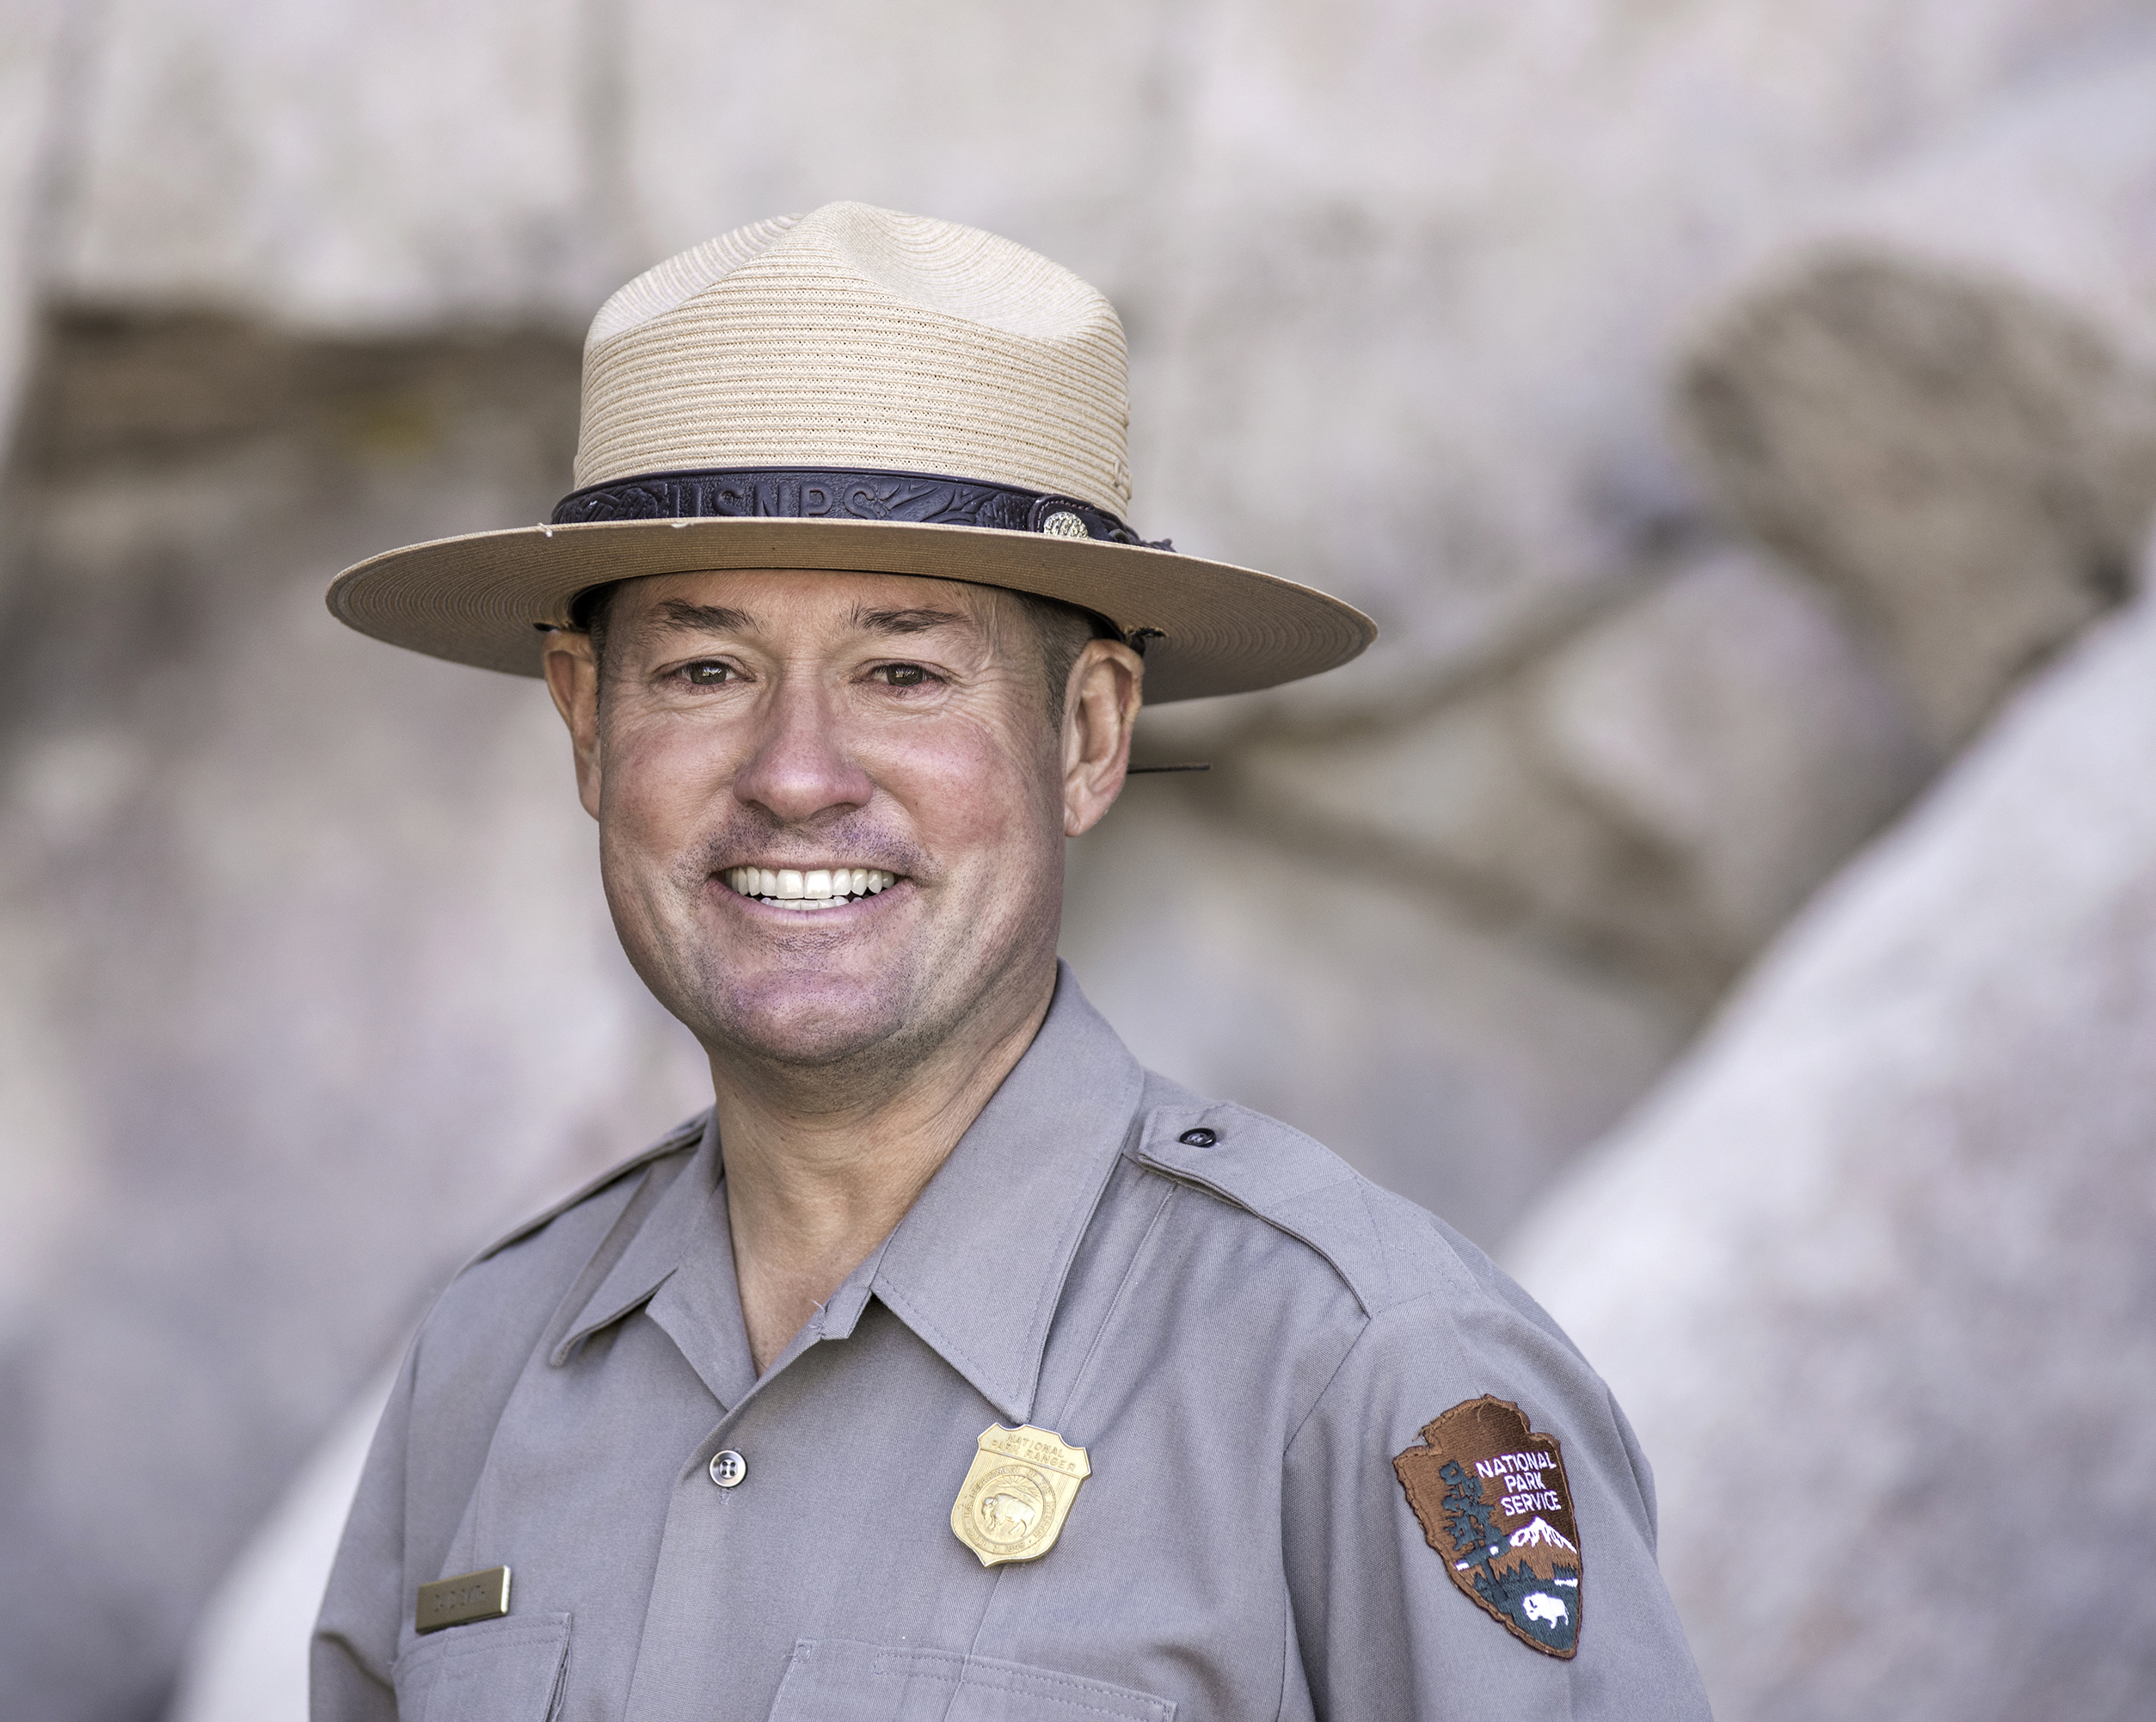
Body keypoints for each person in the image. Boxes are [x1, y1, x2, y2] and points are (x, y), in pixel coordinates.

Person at [312, 202, 1710, 1721]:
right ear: (587, 722)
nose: (794, 773)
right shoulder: (489, 1361)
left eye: (903, 672)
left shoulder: (1360, 1371)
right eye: (704, 670)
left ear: (1090, 734)